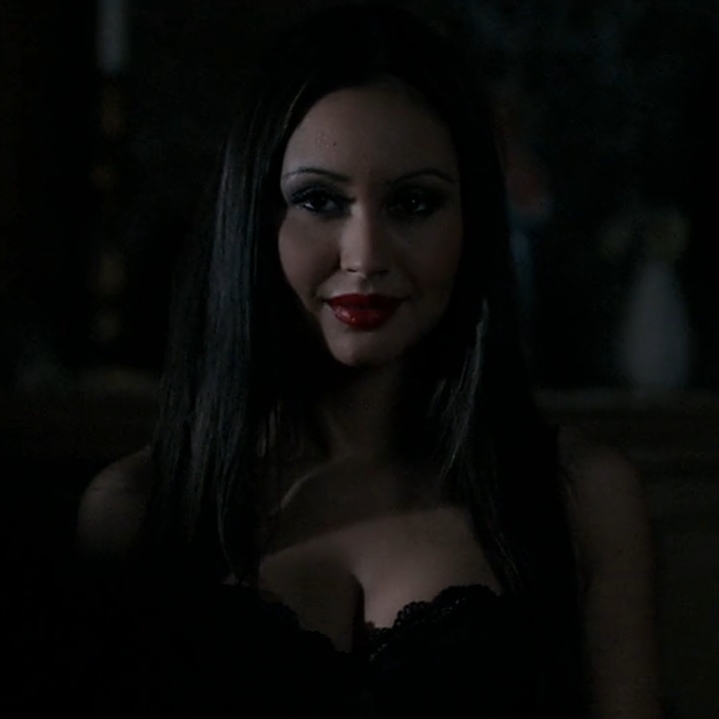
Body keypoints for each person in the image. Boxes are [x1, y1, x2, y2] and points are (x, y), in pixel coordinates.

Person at [74, 3, 661, 717]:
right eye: (319, 200)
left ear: (471, 224)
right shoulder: (137, 510)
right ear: (253, 219)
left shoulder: (580, 497)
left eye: (413, 203)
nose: (365, 255)